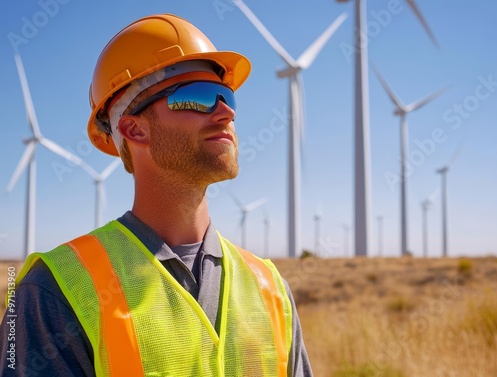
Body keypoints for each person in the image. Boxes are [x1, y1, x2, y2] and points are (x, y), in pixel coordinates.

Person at [0, 13, 313, 376]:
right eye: (198, 97)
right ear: (134, 129)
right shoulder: (53, 292)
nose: (226, 112)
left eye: (226, 96)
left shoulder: (272, 290)